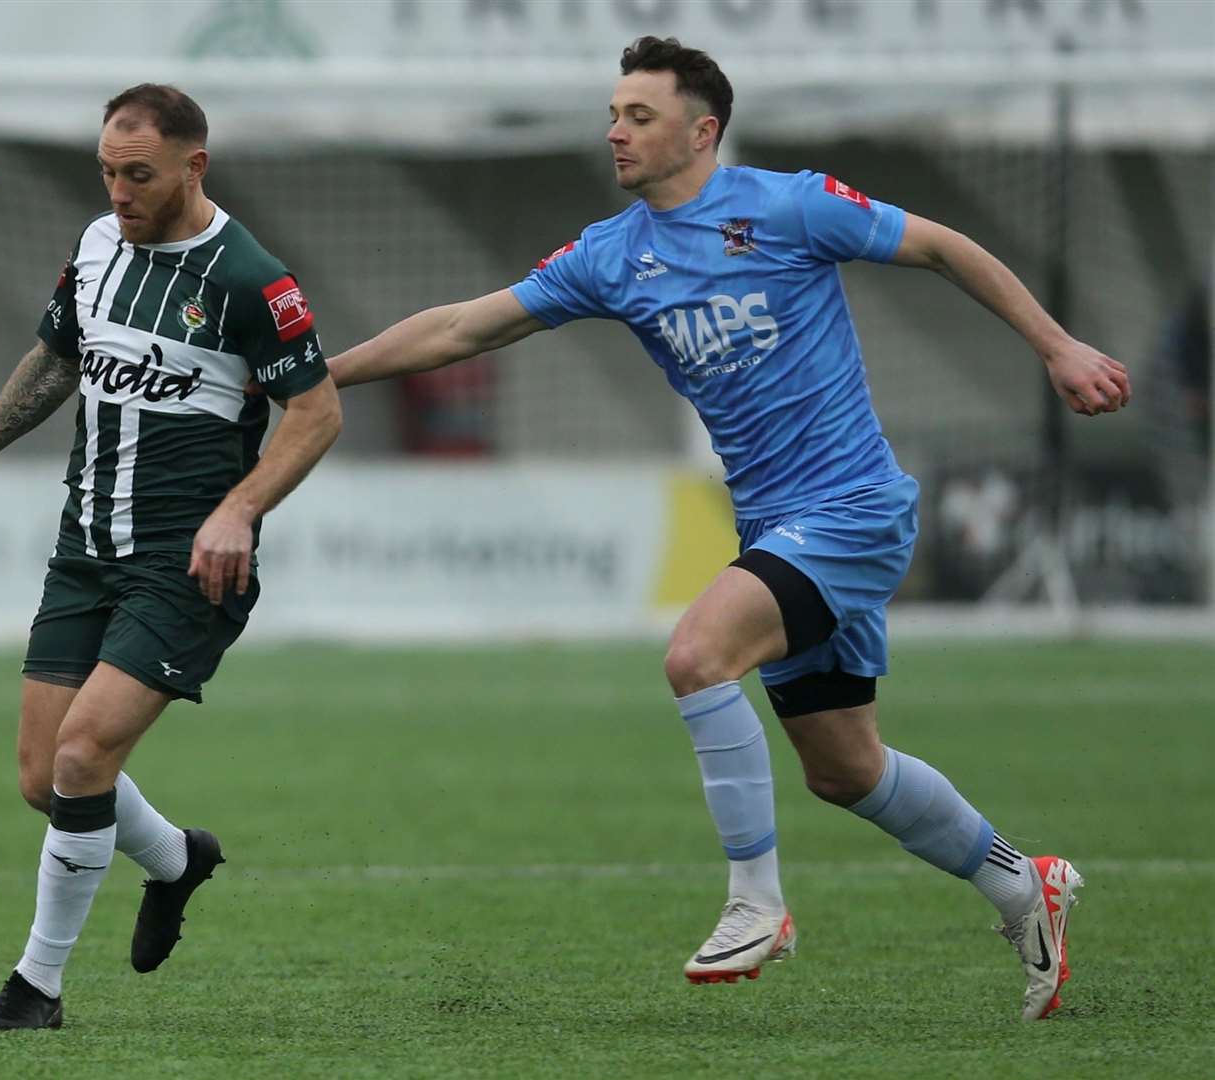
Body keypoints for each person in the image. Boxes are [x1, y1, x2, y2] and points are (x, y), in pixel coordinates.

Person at [327, 37, 1131, 1021]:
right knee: (844, 770)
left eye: (638, 115)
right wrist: (317, 376)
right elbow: (461, 327)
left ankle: (756, 901)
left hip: (849, 510)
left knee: (696, 654)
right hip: (773, 528)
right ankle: (1020, 884)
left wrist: (1055, 346)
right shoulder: (610, 254)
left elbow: (938, 245)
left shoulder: (787, 206)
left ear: (700, 132)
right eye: (612, 113)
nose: (614, 131)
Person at [0, 84, 341, 1030]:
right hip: (83, 549)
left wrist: (239, 509)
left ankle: (37, 989)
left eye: (137, 174)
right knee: (44, 778)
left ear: (195, 166)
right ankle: (178, 861)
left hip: (185, 565)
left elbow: (317, 411)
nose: (118, 190)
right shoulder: (98, 245)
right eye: (107, 169)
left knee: (82, 752)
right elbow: (57, 358)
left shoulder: (248, 278)